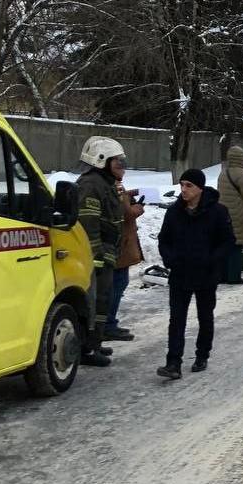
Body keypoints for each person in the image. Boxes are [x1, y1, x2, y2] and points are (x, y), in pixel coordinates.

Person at [156, 169, 235, 379]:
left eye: (189, 185)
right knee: (177, 319)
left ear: (200, 188)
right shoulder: (174, 212)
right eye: (182, 184)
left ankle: (202, 354)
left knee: (205, 316)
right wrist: (170, 258)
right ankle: (173, 362)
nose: (184, 189)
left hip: (206, 274)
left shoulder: (218, 212)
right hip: (180, 274)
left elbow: (227, 242)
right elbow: (164, 239)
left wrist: (212, 260)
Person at [76, 135, 126, 366]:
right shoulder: (91, 185)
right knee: (95, 301)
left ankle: (94, 343)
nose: (123, 167)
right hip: (96, 254)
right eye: (119, 162)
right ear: (102, 161)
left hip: (106, 251)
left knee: (102, 300)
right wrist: (96, 255)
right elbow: (89, 223)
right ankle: (87, 349)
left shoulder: (104, 183)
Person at [105, 166, 145, 342]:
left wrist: (130, 194)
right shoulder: (114, 186)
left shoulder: (109, 184)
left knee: (116, 283)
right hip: (121, 242)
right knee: (118, 283)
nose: (124, 170)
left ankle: (108, 323)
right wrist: (138, 207)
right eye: (120, 166)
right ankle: (108, 324)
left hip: (118, 241)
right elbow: (125, 212)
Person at [217, 144, 243, 285]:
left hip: (223, 214)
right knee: (236, 247)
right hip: (238, 214)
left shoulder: (223, 173)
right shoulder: (242, 174)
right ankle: (234, 276)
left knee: (225, 246)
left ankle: (222, 275)